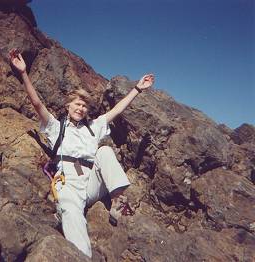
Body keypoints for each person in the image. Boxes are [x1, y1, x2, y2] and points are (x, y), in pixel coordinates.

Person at [9, 49, 154, 257]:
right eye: (78, 104)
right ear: (68, 105)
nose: (81, 108)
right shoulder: (55, 126)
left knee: (104, 151)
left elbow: (117, 110)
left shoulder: (93, 127)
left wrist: (137, 89)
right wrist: (23, 72)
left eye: (85, 106)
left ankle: (117, 200)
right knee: (71, 212)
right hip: (68, 182)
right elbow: (37, 103)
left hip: (92, 182)